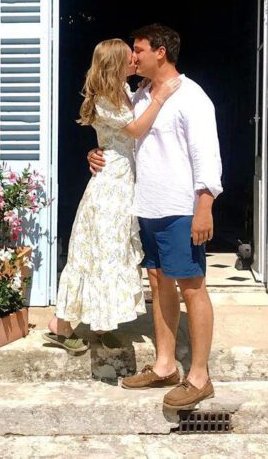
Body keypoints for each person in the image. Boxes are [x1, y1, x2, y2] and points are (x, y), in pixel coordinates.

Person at [88, 24, 222, 410]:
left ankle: (199, 376)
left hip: (181, 208)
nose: (133, 56)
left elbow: (206, 155)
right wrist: (95, 154)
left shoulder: (191, 97)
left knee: (192, 288)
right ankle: (165, 366)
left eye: (139, 49)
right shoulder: (141, 94)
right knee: (159, 282)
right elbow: (121, 134)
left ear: (160, 52)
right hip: (146, 206)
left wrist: (205, 205)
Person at [44, 38, 181, 353]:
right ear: (117, 65)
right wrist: (159, 98)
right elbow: (134, 130)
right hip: (110, 186)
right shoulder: (105, 99)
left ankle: (101, 321)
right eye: (129, 57)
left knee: (112, 251)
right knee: (99, 251)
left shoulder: (124, 92)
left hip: (122, 182)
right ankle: (61, 327)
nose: (135, 59)